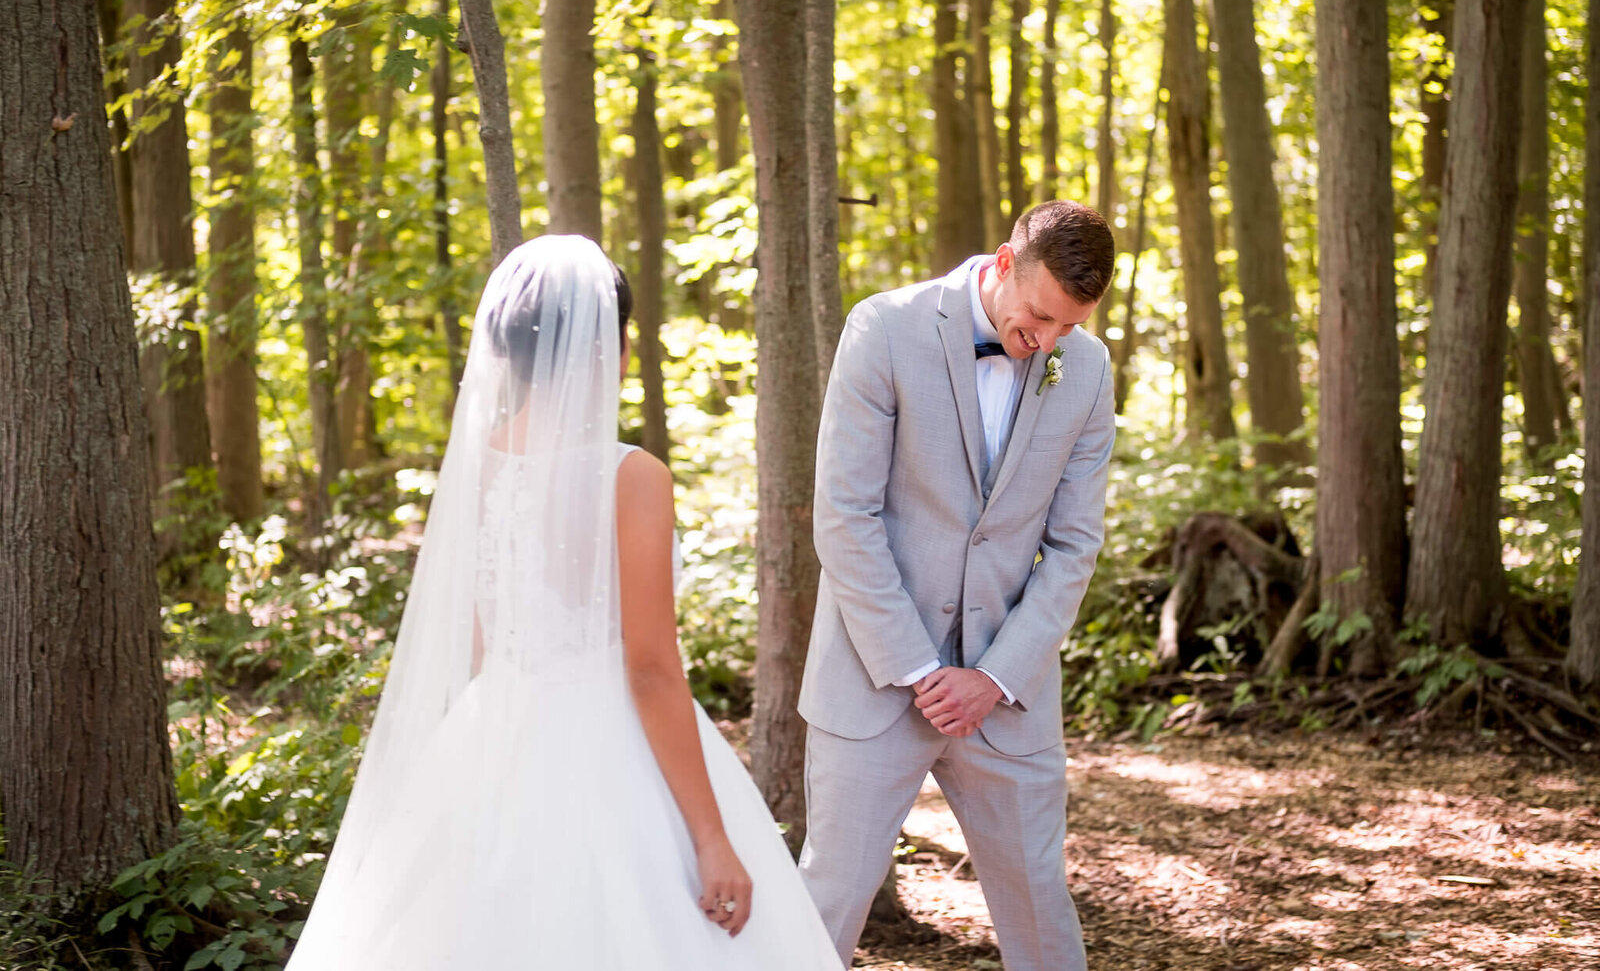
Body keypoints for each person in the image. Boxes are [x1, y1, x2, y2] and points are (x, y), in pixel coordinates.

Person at [287, 236, 841, 970]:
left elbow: (480, 638)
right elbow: (648, 668)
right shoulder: (632, 476)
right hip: (610, 740)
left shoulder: (479, 463)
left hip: (494, 727)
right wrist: (711, 836)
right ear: (602, 345)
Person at [797, 200, 1117, 971]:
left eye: (1068, 328)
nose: (1046, 342)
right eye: (1039, 315)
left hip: (1007, 694)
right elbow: (845, 515)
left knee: (1041, 906)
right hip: (876, 680)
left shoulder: (1090, 369)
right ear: (1004, 264)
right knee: (827, 900)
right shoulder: (885, 328)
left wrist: (993, 675)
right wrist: (920, 668)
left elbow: (1074, 545)